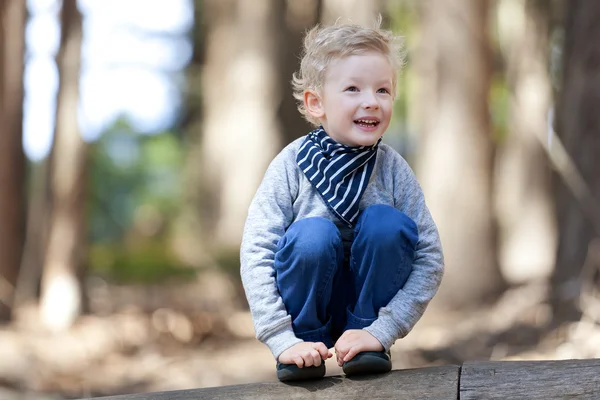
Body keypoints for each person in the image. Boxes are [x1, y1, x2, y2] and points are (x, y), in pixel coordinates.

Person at [240, 19, 444, 382]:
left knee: (388, 224)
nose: (371, 101)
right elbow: (257, 251)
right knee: (312, 235)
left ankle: (363, 345)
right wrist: (281, 338)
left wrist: (383, 329)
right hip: (303, 315)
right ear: (316, 103)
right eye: (353, 89)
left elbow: (429, 256)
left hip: (370, 318)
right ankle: (305, 348)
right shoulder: (291, 165)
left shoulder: (393, 169)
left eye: (382, 90)